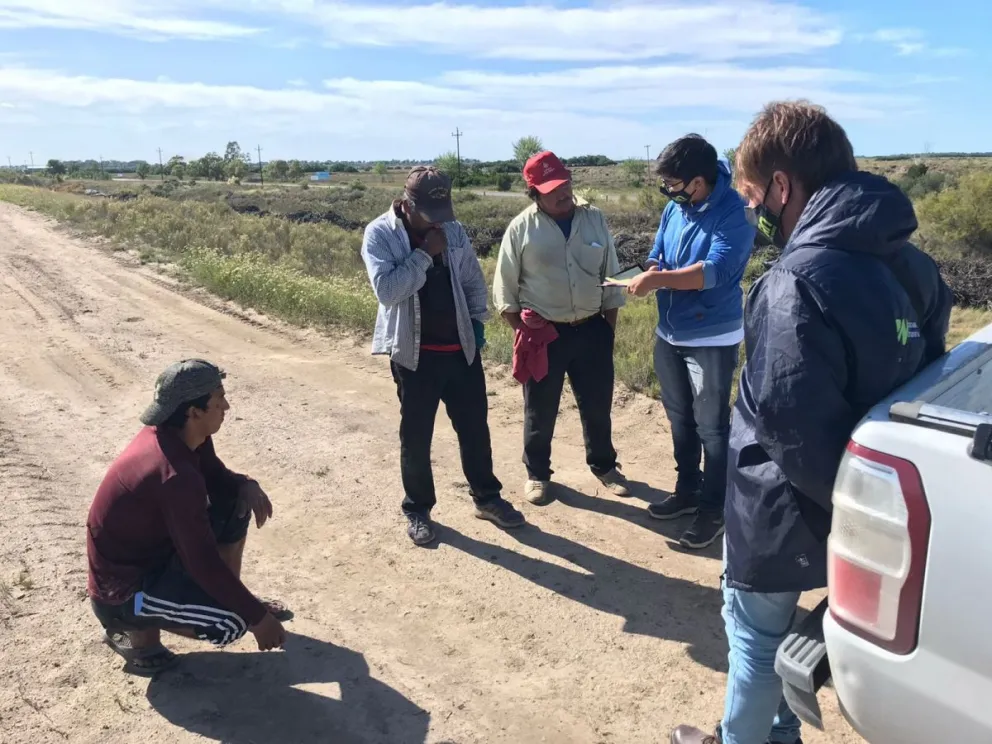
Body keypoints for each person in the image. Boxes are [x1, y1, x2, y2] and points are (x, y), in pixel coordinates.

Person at [671, 102, 952, 744]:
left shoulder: (794, 282)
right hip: (869, 505)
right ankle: (776, 734)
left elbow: (788, 423)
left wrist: (852, 511)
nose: (752, 211)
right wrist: (867, 517)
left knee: (753, 634)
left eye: (751, 195)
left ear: (782, 187)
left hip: (782, 506)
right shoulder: (914, 268)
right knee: (794, 638)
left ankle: (747, 738)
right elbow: (929, 380)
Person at [87, 360, 290, 674]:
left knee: (234, 502)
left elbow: (216, 476)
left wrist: (245, 484)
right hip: (124, 590)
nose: (227, 406)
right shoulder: (174, 474)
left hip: (156, 556)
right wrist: (257, 618)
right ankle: (131, 636)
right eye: (218, 398)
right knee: (230, 623)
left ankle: (227, 597)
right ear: (194, 412)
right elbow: (202, 561)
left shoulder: (181, 434)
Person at [361, 166, 525, 546]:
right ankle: (417, 509)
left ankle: (487, 498)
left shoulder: (452, 229)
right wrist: (423, 255)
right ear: (406, 203)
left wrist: (477, 321)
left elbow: (470, 279)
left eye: (443, 213)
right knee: (416, 436)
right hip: (414, 355)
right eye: (429, 215)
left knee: (474, 429)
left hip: (460, 349)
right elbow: (387, 292)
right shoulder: (380, 233)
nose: (439, 223)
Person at [626, 134, 754, 549]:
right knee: (679, 417)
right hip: (670, 331)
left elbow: (713, 272)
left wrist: (658, 280)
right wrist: (651, 266)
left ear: (698, 182)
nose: (670, 194)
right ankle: (687, 490)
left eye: (675, 186)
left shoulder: (735, 214)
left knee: (712, 429)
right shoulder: (674, 207)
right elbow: (658, 250)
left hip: (712, 338)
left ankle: (713, 510)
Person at [493, 150, 630, 505]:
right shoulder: (522, 228)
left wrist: (607, 331)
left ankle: (604, 466)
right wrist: (525, 334)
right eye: (552, 188)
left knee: (598, 404)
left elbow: (610, 277)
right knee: (540, 409)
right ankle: (537, 474)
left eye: (565, 184)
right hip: (545, 335)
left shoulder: (594, 218)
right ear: (535, 193)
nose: (562, 193)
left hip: (592, 328)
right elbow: (504, 292)